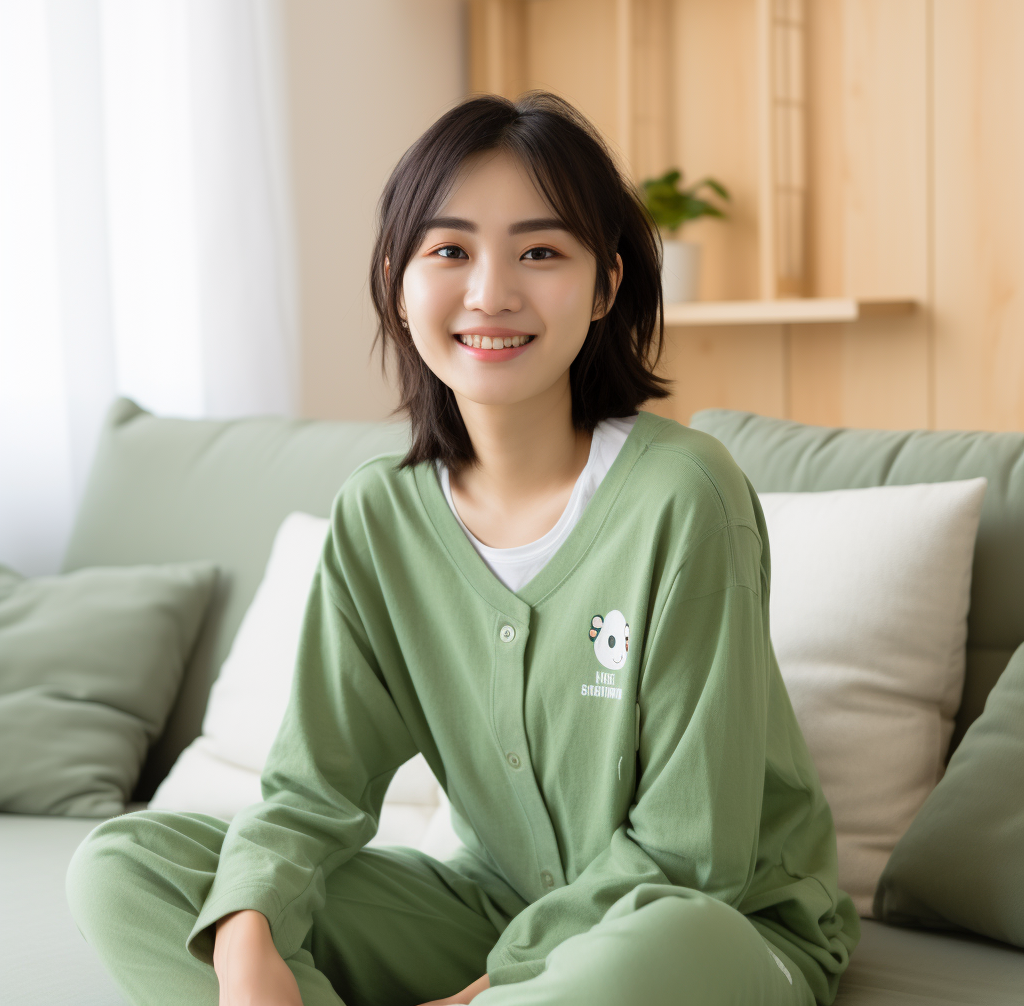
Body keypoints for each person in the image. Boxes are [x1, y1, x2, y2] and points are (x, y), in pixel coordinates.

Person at [66, 91, 859, 1006]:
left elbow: (692, 854)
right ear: (400, 285)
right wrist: (248, 941)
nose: (490, 292)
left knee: (658, 944)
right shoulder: (379, 516)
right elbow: (311, 789)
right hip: (485, 908)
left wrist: (490, 990)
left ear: (604, 286)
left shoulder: (686, 496)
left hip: (708, 929)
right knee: (129, 867)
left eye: (540, 252)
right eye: (450, 251)